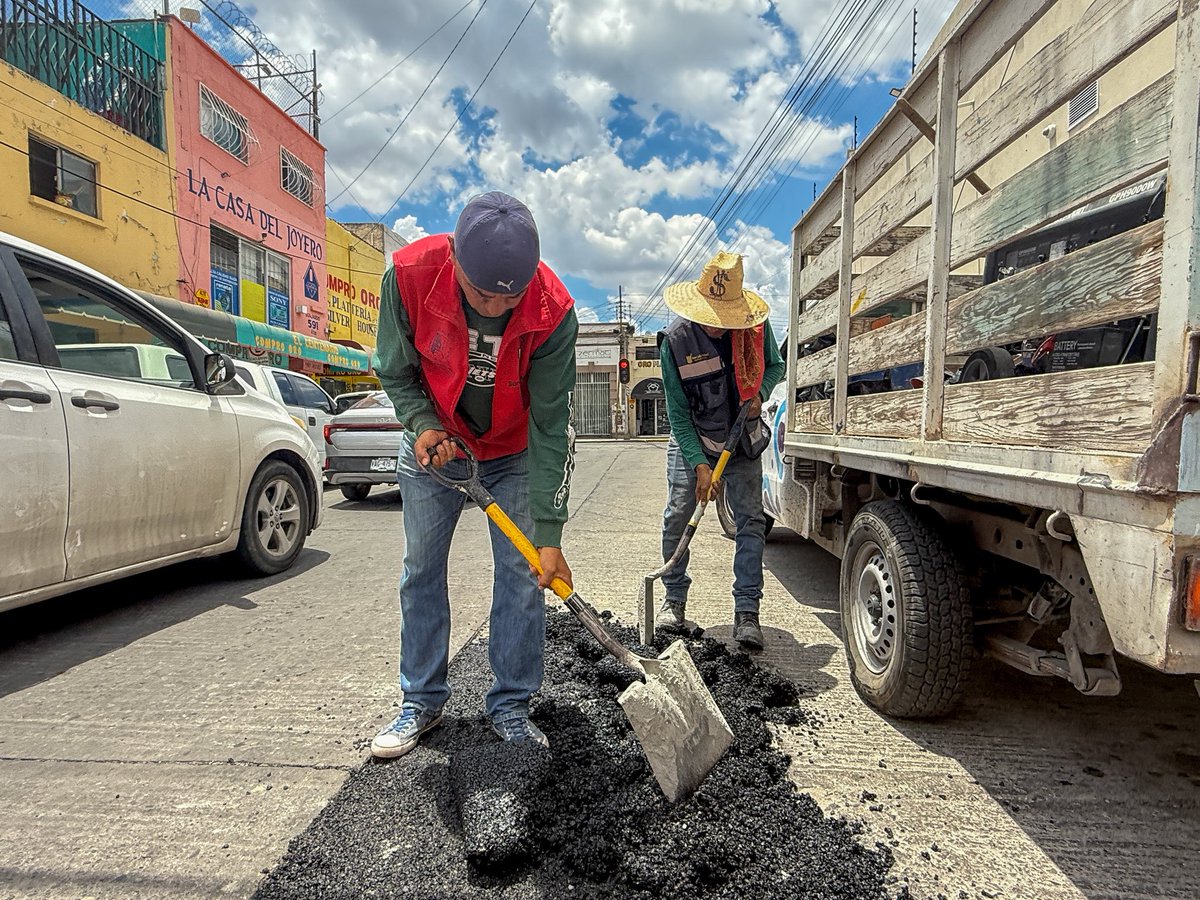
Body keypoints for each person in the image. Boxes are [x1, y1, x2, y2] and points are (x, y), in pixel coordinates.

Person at [370, 191, 578, 758]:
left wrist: (550, 535)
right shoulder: (409, 277)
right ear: (455, 261)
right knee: (421, 568)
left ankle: (511, 704)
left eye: (504, 299)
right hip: (438, 442)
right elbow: (395, 369)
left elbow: (553, 428)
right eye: (479, 292)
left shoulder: (553, 312)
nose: (491, 307)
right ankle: (422, 700)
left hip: (512, 451)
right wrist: (420, 425)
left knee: (521, 575)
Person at [654, 251, 785, 650]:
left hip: (741, 441)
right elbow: (677, 412)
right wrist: (699, 465)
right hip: (693, 437)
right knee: (678, 515)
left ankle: (747, 612)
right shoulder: (675, 343)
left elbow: (776, 367)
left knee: (750, 521)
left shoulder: (756, 330)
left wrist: (760, 394)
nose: (718, 324)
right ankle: (673, 600)